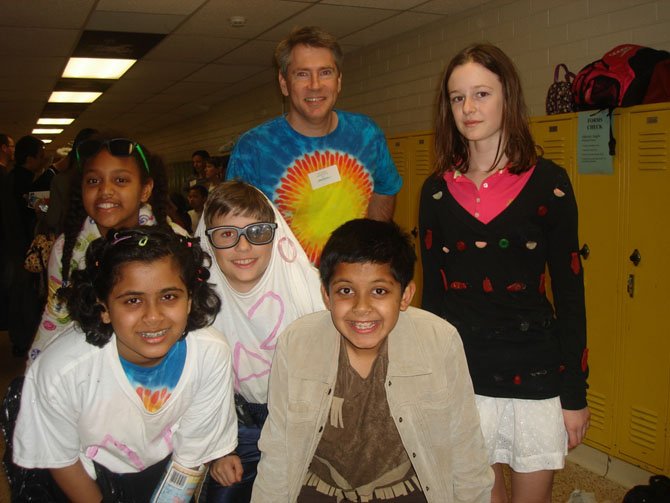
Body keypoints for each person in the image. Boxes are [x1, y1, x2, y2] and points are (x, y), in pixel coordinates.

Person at [418, 43, 590, 503]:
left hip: (534, 371)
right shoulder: (435, 192)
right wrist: (431, 384)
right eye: (458, 98)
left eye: (481, 94)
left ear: (506, 97)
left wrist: (574, 393)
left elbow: (571, 294)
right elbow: (432, 302)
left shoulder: (549, 183)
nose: (468, 108)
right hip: (465, 376)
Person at [252, 218, 493, 502]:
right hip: (319, 491)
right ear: (326, 296)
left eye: (379, 291)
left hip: (408, 492)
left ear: (405, 296)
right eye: (345, 291)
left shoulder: (440, 341)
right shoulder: (296, 343)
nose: (362, 308)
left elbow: (465, 447)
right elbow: (278, 449)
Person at [13, 226, 238, 502]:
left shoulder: (211, 354)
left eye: (169, 297)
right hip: (84, 474)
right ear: (104, 308)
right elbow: (62, 458)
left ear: (189, 300)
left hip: (163, 467)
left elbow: (190, 454)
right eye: (133, 301)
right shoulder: (63, 369)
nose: (153, 317)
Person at [193, 180, 324, 502]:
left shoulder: (311, 292)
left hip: (305, 426)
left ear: (275, 235)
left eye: (257, 232)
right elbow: (194, 386)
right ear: (208, 243)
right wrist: (217, 449)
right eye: (226, 234)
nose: (243, 247)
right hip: (234, 430)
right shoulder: (195, 305)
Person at [226, 26, 402, 265]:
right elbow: (233, 227)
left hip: (351, 282)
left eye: (325, 72)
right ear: (284, 83)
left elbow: (386, 187)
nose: (315, 85)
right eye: (302, 74)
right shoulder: (253, 148)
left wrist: (371, 250)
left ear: (338, 81)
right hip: (286, 290)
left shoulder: (366, 133)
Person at [28, 132, 186, 365]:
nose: (105, 190)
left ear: (145, 189)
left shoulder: (175, 243)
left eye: (120, 180)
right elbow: (56, 315)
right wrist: (35, 371)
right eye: (93, 181)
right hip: (90, 368)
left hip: (162, 365)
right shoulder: (67, 250)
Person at [4, 135, 46, 356]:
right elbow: (26, 215)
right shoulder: (22, 181)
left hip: (17, 247)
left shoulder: (16, 177)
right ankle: (23, 342)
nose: (43, 160)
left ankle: (21, 340)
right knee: (24, 298)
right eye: (40, 156)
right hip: (21, 248)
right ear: (30, 158)